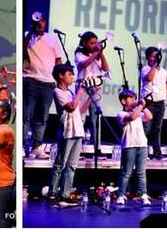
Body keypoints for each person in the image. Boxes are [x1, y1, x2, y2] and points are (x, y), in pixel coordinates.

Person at [22, 12, 63, 159]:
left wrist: (59, 80)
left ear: (45, 22)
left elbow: (58, 60)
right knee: (26, 115)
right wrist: (31, 32)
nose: (40, 23)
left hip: (48, 83)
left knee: (42, 117)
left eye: (42, 21)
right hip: (30, 79)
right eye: (38, 21)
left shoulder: (51, 39)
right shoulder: (27, 36)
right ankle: (22, 145)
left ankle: (37, 146)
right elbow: (21, 51)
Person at [49, 63, 91, 204]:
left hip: (78, 131)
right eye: (70, 74)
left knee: (72, 165)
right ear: (61, 76)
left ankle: (65, 193)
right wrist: (80, 90)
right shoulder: (58, 92)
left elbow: (80, 109)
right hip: (67, 131)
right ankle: (53, 192)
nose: (73, 77)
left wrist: (91, 96)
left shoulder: (71, 93)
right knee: (61, 163)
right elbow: (71, 107)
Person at [75, 31, 111, 152]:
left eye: (96, 43)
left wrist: (101, 53)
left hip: (95, 89)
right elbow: (84, 64)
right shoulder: (79, 54)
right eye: (92, 43)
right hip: (83, 88)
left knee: (96, 119)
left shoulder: (96, 56)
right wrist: (96, 53)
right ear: (84, 43)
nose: (94, 45)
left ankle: (97, 148)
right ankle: (77, 148)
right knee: (81, 117)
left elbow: (105, 69)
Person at [116, 90, 152, 206]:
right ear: (123, 101)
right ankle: (121, 195)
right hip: (129, 145)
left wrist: (143, 106)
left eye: (135, 98)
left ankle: (143, 195)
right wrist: (140, 105)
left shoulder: (139, 113)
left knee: (141, 172)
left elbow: (149, 116)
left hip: (142, 145)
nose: (134, 101)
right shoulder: (121, 114)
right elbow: (132, 117)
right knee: (126, 172)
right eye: (132, 99)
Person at [140, 46, 167, 159]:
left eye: (157, 56)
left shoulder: (163, 71)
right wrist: (154, 65)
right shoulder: (145, 69)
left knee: (157, 129)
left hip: (160, 103)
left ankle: (157, 153)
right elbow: (149, 78)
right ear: (148, 57)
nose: (155, 58)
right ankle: (143, 152)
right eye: (153, 56)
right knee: (146, 128)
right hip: (148, 103)